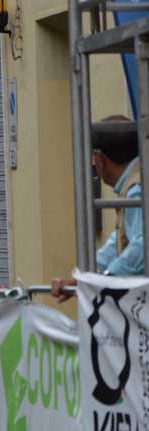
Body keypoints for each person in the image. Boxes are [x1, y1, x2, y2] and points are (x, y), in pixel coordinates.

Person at [51, 116, 143, 302]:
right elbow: (117, 242)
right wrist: (83, 279)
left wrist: (103, 281)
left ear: (100, 159)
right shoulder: (135, 182)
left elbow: (140, 249)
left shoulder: (137, 190)